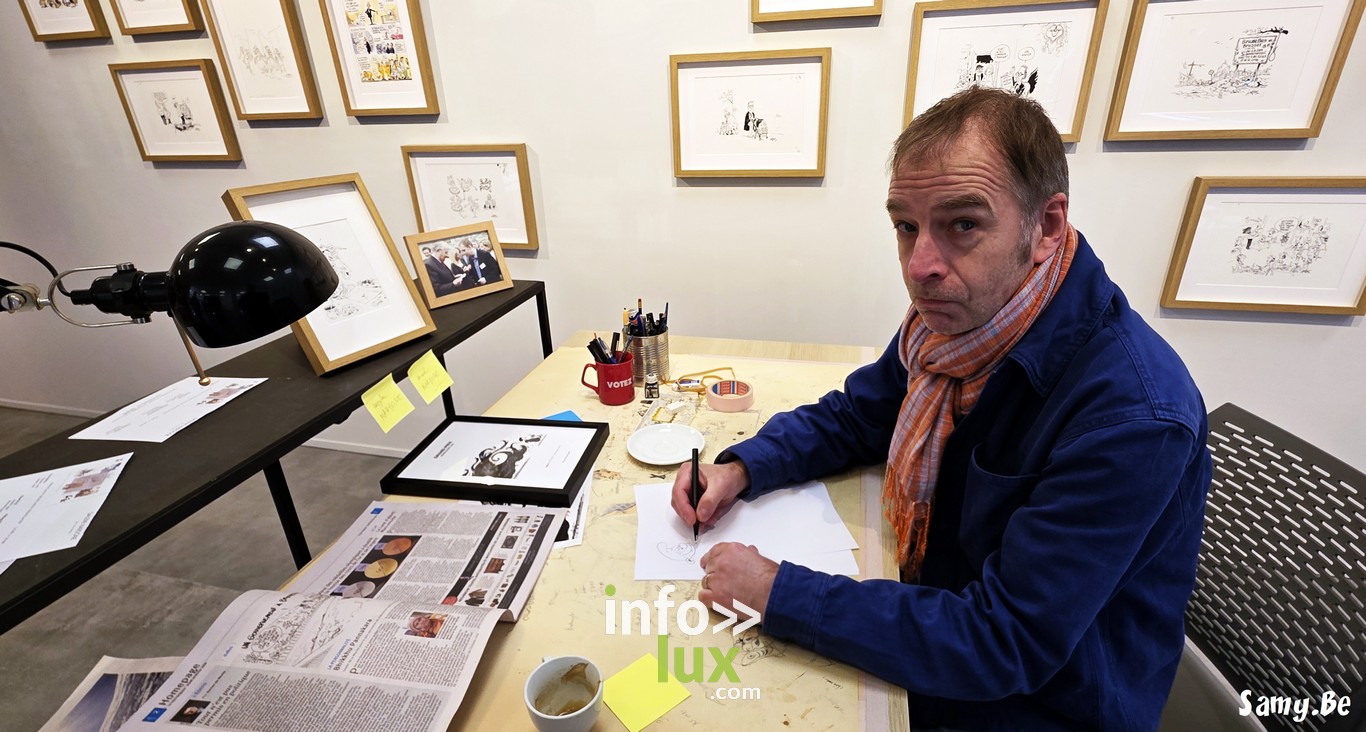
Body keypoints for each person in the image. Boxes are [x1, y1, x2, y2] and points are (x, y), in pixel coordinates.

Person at [671, 87, 1211, 731]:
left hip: (1041, 703)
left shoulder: (1132, 414)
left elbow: (1005, 641)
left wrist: (778, 592)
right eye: (906, 226)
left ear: (1046, 226)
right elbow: (860, 416)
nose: (919, 265)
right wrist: (743, 467)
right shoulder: (955, 327)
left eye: (963, 224)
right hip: (940, 612)